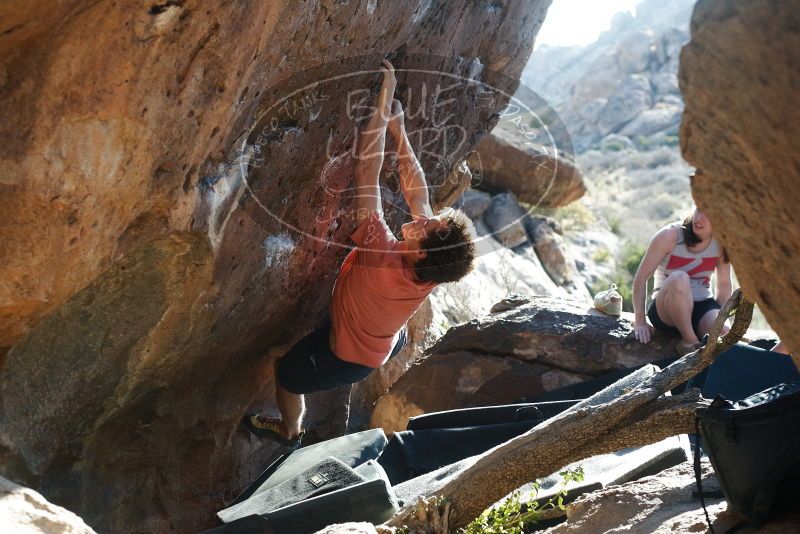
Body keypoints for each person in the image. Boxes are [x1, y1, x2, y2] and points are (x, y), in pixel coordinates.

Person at [243, 60, 476, 446]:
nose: (423, 218)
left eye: (425, 227)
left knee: (286, 373)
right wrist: (400, 132)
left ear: (420, 253)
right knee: (372, 332)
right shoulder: (434, 264)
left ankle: (289, 431)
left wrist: (383, 107)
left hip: (350, 358)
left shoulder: (381, 255)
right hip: (387, 336)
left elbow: (366, 172)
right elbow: (417, 192)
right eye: (431, 220)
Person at [632, 207, 732, 355]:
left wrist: (720, 317)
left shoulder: (721, 243)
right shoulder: (670, 235)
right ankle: (689, 342)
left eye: (708, 215)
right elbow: (641, 278)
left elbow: (723, 285)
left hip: (701, 305)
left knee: (723, 331)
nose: (699, 218)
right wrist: (640, 321)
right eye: (699, 209)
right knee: (680, 278)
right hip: (666, 307)